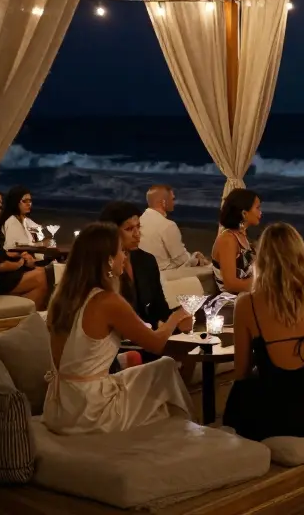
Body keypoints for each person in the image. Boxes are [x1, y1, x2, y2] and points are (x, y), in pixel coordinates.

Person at [43, 223, 191, 435]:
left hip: (58, 405)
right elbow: (156, 344)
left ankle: (178, 430)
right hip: (90, 411)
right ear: (108, 259)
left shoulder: (61, 298)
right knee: (165, 367)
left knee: (139, 375)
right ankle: (188, 433)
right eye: (122, 251)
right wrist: (176, 317)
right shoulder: (107, 300)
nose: (125, 257)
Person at [222, 223, 304, 441]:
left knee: (239, 394)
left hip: (273, 417)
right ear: (301, 256)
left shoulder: (248, 304)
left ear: (262, 260)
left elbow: (240, 372)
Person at [99, 201, 189, 335]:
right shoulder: (101, 266)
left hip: (147, 336)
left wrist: (178, 320)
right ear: (111, 232)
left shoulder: (146, 260)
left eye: (138, 227)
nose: (137, 234)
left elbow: (159, 307)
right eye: (129, 229)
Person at [139, 185, 210, 270]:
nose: (174, 202)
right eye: (172, 199)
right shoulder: (167, 225)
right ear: (163, 202)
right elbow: (182, 260)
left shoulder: (140, 220)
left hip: (145, 271)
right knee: (209, 269)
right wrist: (196, 258)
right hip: (164, 275)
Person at [212, 188, 261, 294]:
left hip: (247, 297)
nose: (260, 212)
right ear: (244, 213)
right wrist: (264, 284)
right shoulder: (227, 240)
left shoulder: (242, 237)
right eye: (257, 208)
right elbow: (231, 285)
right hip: (231, 302)